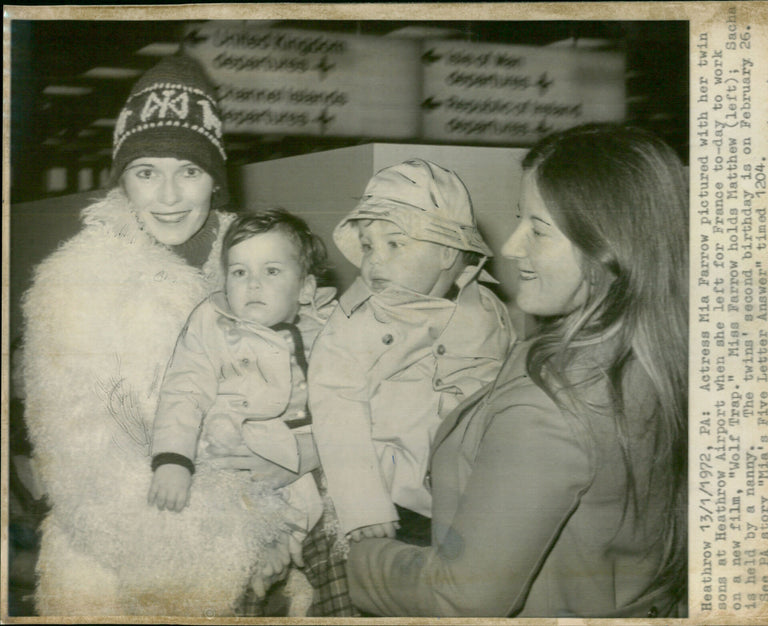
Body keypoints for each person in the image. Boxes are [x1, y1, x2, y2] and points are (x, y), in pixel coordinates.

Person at [345, 124, 689, 618]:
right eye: (517, 219)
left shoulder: (551, 406)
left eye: (538, 228)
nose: (509, 246)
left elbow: (458, 597)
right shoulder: (655, 358)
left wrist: (352, 557)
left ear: (609, 245)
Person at [20, 55, 298, 616]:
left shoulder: (261, 265)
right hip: (128, 576)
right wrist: (243, 544)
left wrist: (290, 525)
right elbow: (85, 470)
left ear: (215, 179)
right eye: (147, 171)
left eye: (189, 171)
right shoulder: (75, 284)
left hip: (276, 559)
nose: (169, 196)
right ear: (122, 180)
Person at [305, 159, 514, 611]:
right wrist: (363, 507)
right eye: (366, 245)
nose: (374, 258)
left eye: (394, 243)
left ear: (445, 252)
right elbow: (335, 404)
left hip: (466, 502)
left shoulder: (488, 312)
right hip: (388, 505)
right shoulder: (355, 323)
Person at [147, 209, 337, 586]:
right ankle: (264, 541)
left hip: (307, 446)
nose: (252, 284)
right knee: (229, 488)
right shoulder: (211, 323)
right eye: (239, 272)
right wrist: (172, 458)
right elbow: (183, 389)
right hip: (237, 442)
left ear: (305, 288)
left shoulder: (331, 328)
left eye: (271, 271)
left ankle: (286, 541)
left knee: (326, 501)